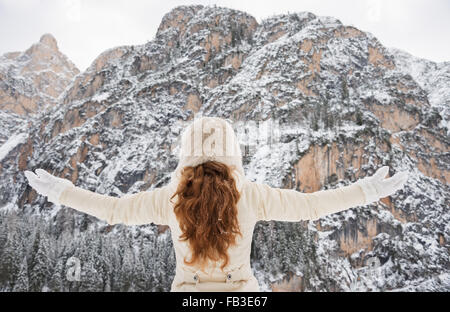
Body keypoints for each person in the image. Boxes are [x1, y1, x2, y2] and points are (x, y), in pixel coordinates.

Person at [25, 116, 408, 292]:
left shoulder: (169, 199)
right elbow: (310, 206)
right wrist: (366, 191)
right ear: (233, 155)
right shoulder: (251, 195)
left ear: (186, 156)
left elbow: (112, 209)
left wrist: (63, 192)